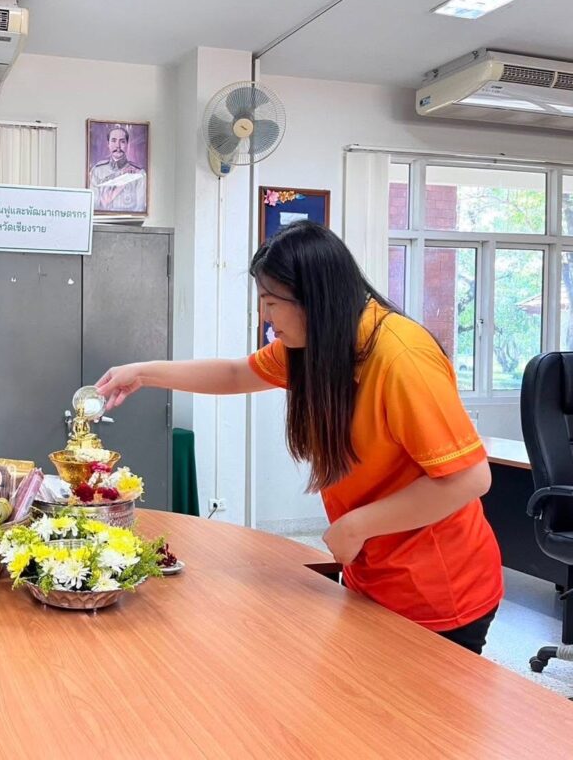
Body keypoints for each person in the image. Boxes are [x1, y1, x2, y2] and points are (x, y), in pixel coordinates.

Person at [96, 220, 502, 654]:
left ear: (314, 298)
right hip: (374, 577)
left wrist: (358, 525)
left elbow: (469, 479)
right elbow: (236, 373)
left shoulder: (402, 358)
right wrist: (143, 373)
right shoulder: (323, 342)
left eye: (271, 302)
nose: (265, 318)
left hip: (439, 591)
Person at [89, 124, 147, 214]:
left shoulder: (139, 174)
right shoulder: (97, 171)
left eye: (122, 141)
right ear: (108, 144)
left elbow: (140, 209)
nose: (118, 146)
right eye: (113, 141)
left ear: (127, 144)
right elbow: (94, 206)